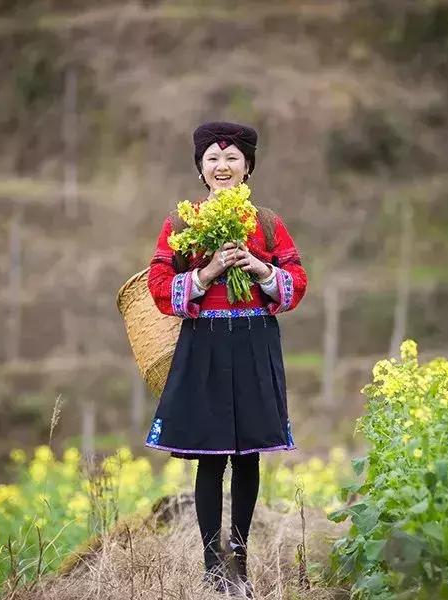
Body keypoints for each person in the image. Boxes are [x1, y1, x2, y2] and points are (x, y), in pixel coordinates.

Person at [144, 121, 308, 596]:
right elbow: (159, 287)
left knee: (248, 452)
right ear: (200, 168)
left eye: (233, 158)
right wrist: (210, 270)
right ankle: (211, 567)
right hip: (206, 344)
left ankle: (240, 562)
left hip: (255, 339)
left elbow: (296, 283)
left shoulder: (269, 222)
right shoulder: (181, 225)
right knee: (211, 456)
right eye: (213, 159)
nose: (222, 166)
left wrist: (257, 267)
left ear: (248, 167)